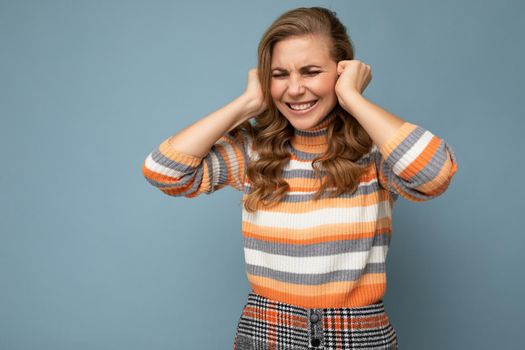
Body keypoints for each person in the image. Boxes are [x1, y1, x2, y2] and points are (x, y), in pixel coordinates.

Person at [141, 6, 458, 350]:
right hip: (266, 334)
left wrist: (352, 99)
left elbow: (434, 175)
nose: (294, 89)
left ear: (341, 71)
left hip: (360, 338)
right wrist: (246, 103)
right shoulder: (253, 152)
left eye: (310, 71)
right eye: (279, 74)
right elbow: (163, 171)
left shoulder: (376, 152)